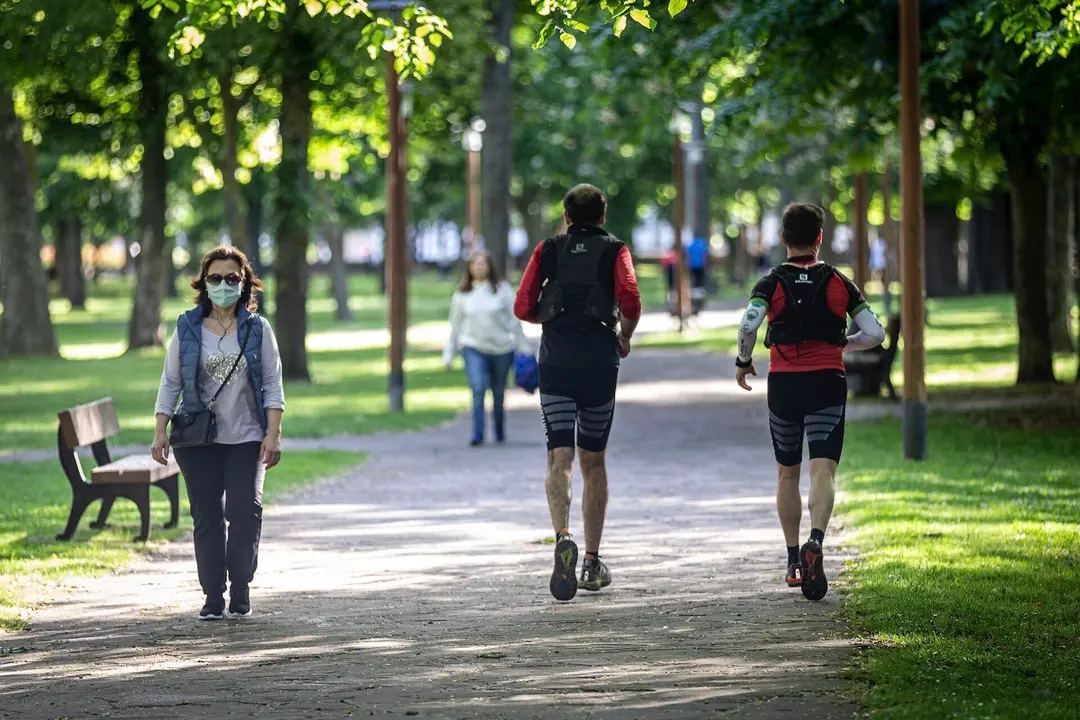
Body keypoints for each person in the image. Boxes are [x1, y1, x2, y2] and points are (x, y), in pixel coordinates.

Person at [734, 203, 885, 602]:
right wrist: (847, 342)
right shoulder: (840, 282)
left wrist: (744, 360)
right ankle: (816, 541)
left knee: (787, 473)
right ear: (819, 238)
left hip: (784, 385)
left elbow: (749, 324)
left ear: (783, 238)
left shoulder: (771, 282)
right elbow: (875, 332)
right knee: (824, 470)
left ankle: (791, 559)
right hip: (827, 383)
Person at [514, 183, 642, 601]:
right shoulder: (615, 249)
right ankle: (590, 559)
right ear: (602, 215)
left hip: (555, 362)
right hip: (599, 363)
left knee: (559, 458)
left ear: (566, 216)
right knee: (594, 462)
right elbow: (631, 297)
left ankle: (562, 535)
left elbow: (522, 305)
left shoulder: (547, 249)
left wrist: (548, 317)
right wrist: (624, 335)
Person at [151, 246, 285, 620]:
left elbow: (273, 386)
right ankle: (213, 595)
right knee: (207, 516)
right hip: (197, 440)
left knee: (245, 513)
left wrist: (273, 434)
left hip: (246, 437)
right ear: (203, 282)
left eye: (231, 278)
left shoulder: (259, 329)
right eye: (215, 278)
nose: (223, 285)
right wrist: (160, 431)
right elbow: (170, 381)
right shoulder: (188, 327)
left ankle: (240, 586)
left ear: (243, 285)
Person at [443, 250, 531, 446]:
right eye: (476, 264)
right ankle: (478, 434)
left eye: (483, 263)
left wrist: (524, 346)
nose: (479, 267)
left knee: (498, 393)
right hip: (473, 347)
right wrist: (449, 354)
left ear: (490, 266)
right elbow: (455, 326)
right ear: (469, 268)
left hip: (501, 349)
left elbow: (513, 321)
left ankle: (499, 431)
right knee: (478, 387)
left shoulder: (502, 290)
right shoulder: (462, 294)